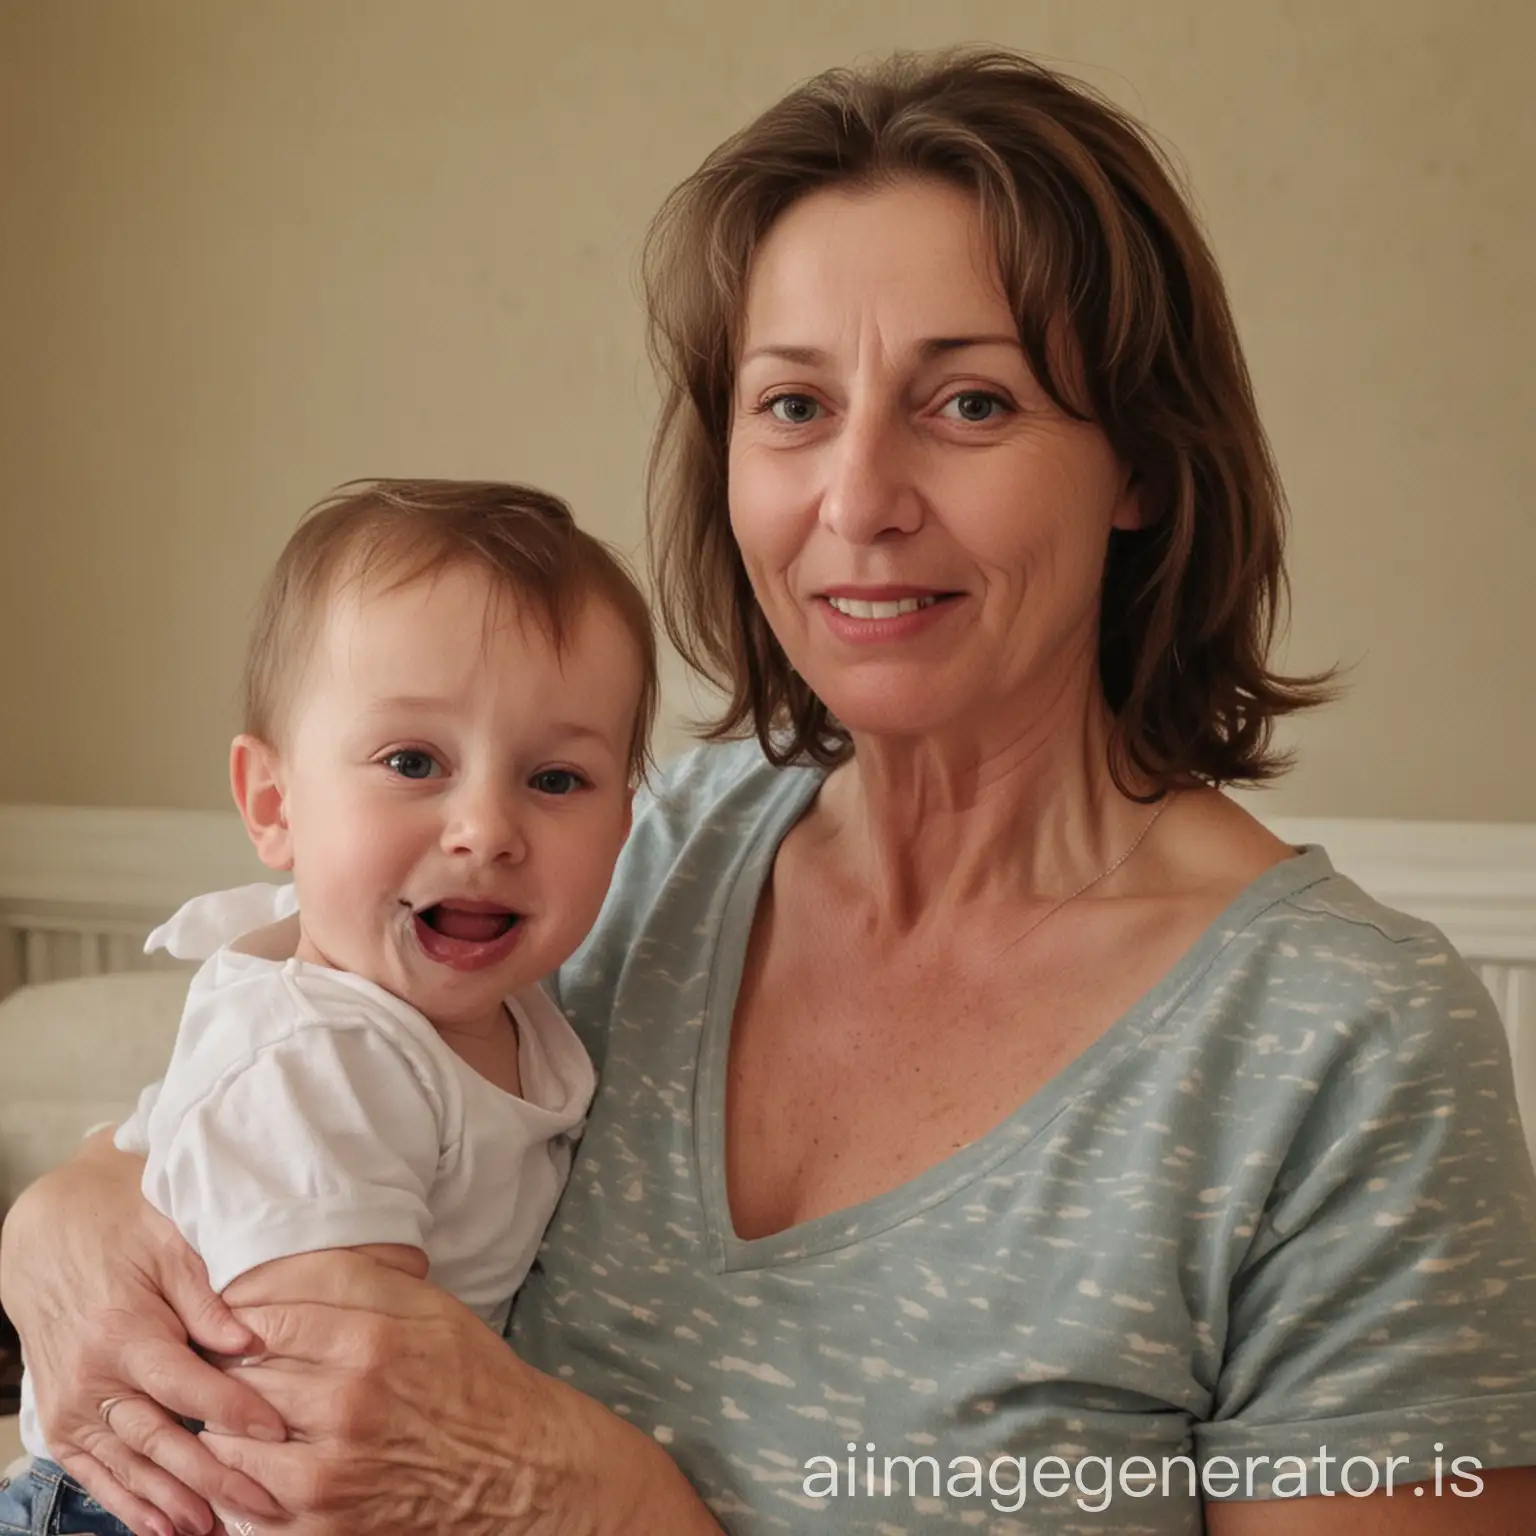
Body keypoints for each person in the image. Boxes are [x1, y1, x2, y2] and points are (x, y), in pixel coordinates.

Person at [4, 46, 1535, 1536]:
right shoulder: (628, 861)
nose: (858, 501)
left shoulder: (1343, 1050)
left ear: (1138, 461)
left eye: (974, 403)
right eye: (794, 407)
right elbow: (277, 1079)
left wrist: (584, 1504)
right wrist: (62, 1222)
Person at [1, 479, 657, 1535]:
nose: (485, 828)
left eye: (557, 779)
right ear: (274, 804)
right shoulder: (318, 1056)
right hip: (148, 1508)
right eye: (413, 762)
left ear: (629, 821)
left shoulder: (523, 1019)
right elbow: (309, 1417)